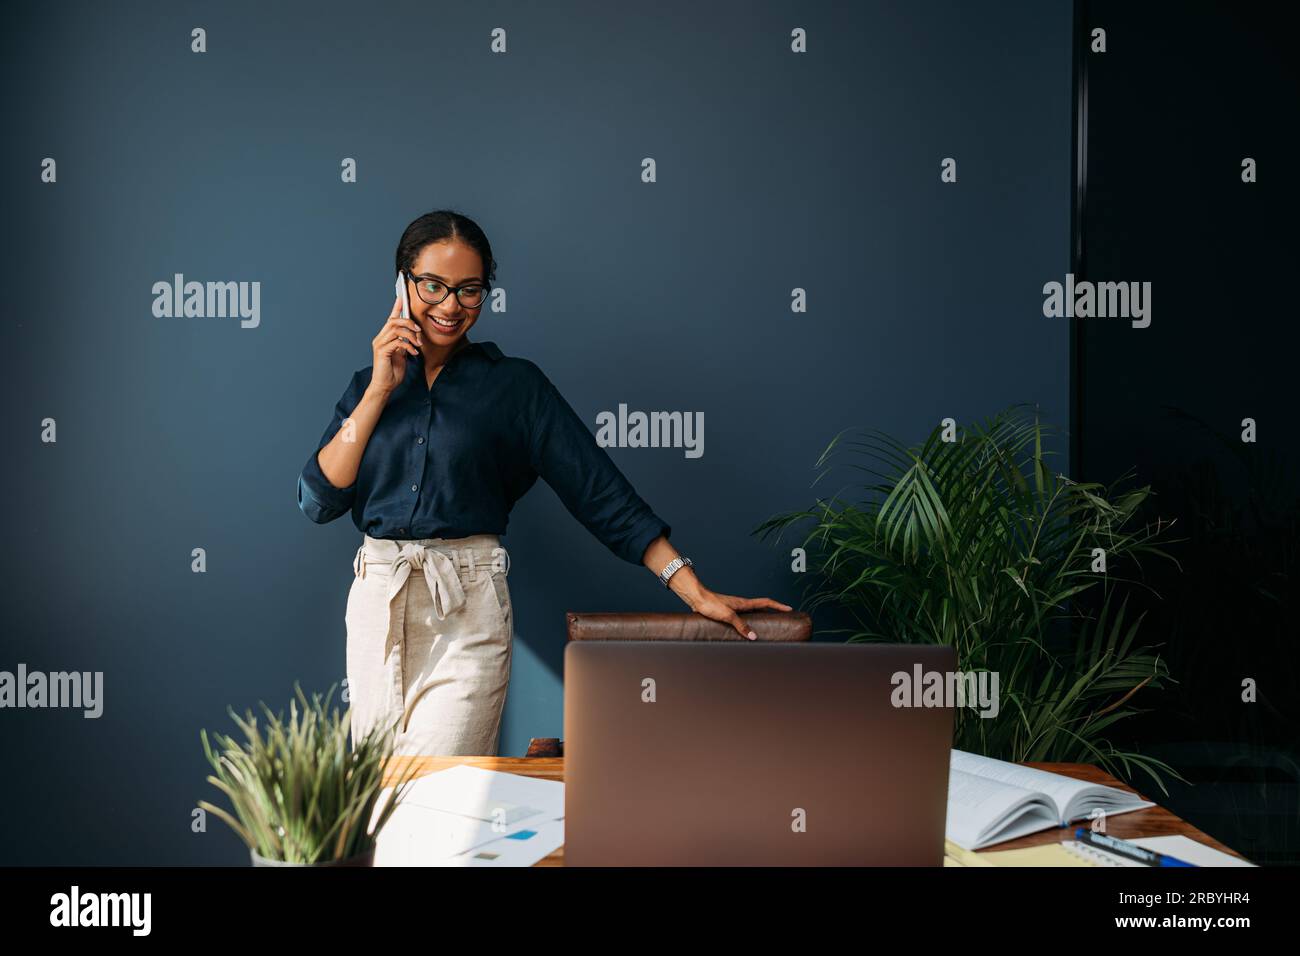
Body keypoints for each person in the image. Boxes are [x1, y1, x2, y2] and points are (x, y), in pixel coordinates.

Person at [297, 210, 792, 756]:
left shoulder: (516, 387)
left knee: (445, 794)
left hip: (468, 604)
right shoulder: (368, 385)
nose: (450, 306)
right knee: (382, 803)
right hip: (377, 603)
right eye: (432, 285)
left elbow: (599, 490)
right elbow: (319, 498)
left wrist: (691, 588)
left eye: (469, 290)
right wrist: (378, 393)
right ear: (402, 282)